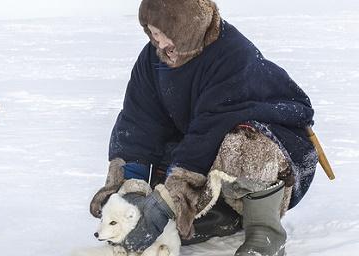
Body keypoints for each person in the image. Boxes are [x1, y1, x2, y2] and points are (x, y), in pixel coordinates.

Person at [89, 0, 317, 255]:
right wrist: (132, 187)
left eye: (166, 34)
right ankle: (218, 215)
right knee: (167, 161)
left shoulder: (232, 55)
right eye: (153, 34)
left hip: (273, 147)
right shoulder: (152, 59)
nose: (161, 44)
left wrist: (166, 202)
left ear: (188, 26)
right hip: (202, 142)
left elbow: (210, 129)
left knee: (244, 146)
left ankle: (265, 232)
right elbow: (138, 122)